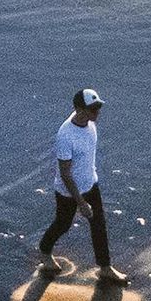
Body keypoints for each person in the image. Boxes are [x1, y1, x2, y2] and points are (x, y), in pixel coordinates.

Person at [38, 87, 127, 282]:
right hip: (68, 192)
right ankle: (45, 250)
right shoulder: (65, 135)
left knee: (99, 225)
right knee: (63, 225)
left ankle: (105, 268)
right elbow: (65, 174)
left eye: (98, 108)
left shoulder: (90, 125)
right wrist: (81, 203)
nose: (97, 112)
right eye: (93, 109)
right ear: (79, 109)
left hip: (90, 184)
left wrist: (90, 185)